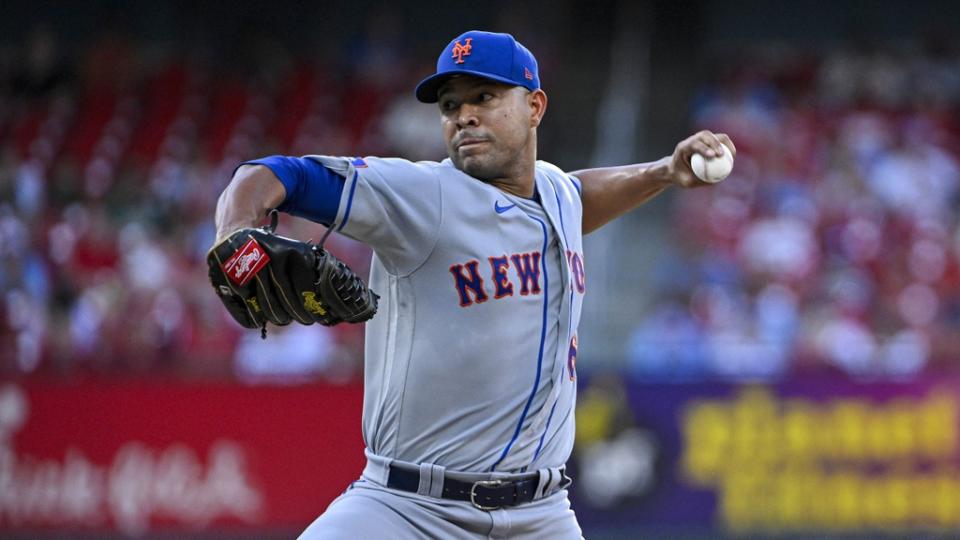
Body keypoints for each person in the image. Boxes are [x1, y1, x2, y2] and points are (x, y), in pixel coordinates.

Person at [213, 30, 735, 540]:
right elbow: (276, 174)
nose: (464, 115)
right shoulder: (423, 196)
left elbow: (579, 197)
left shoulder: (553, 191)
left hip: (542, 514)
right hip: (408, 510)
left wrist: (664, 172)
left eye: (484, 96)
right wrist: (235, 232)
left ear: (535, 107)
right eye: (449, 105)